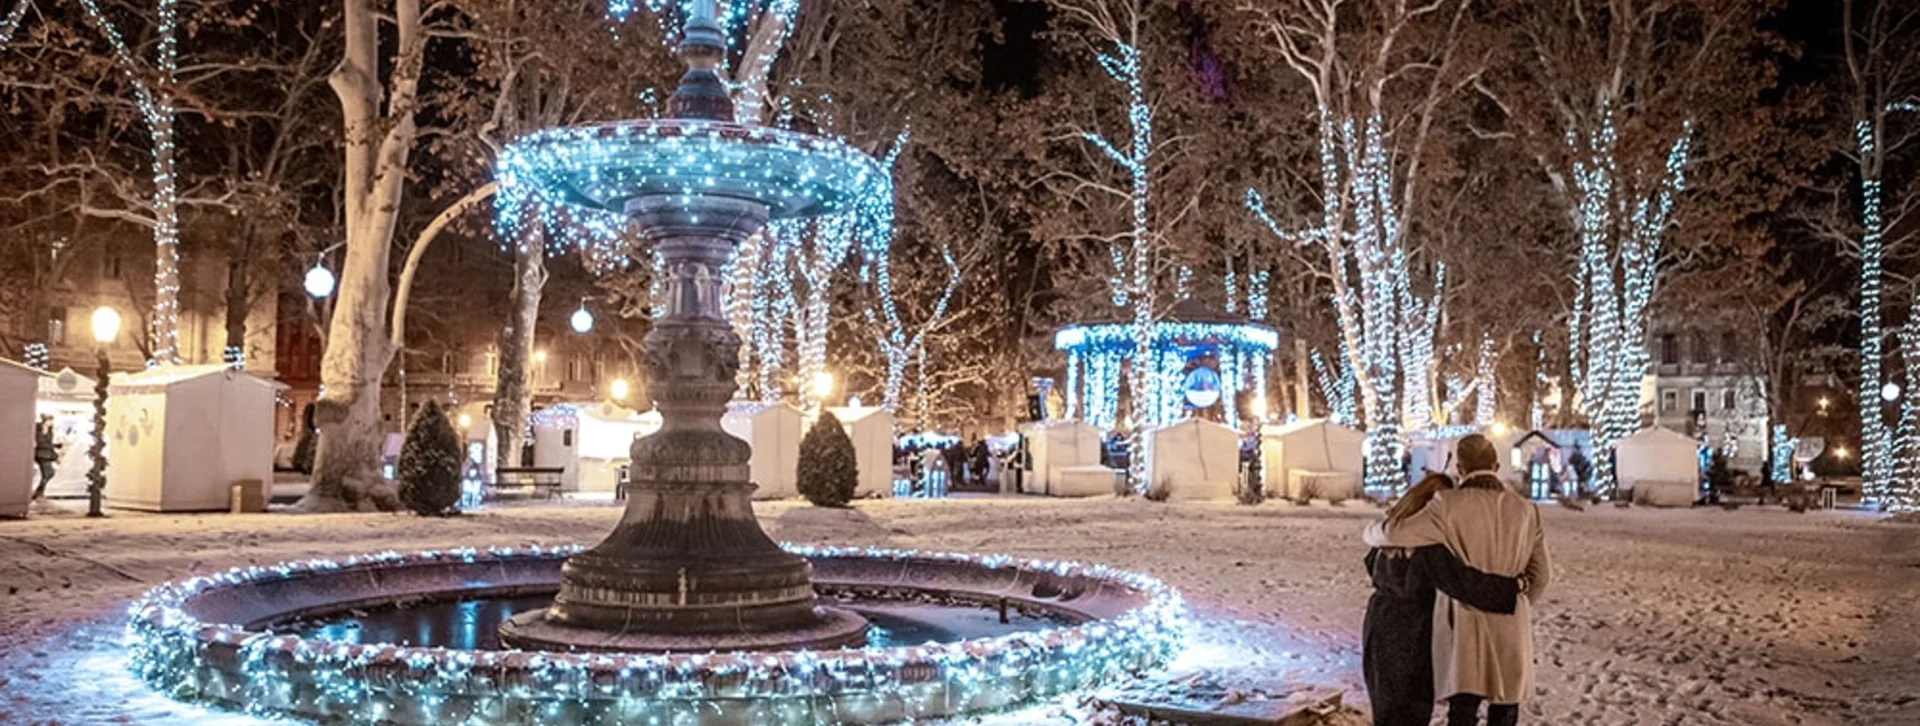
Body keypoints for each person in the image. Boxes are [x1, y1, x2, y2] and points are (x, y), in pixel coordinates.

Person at [1364, 434, 1552, 726]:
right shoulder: (1526, 510)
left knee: (1463, 708)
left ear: (1461, 468)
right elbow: (1540, 575)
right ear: (1496, 464)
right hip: (1511, 620)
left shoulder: (1447, 506)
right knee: (1506, 708)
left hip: (1464, 623)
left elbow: (1393, 534)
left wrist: (1371, 531)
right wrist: (1518, 599)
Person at [31, 415, 60, 500]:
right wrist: (53, 446)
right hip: (42, 454)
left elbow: (48, 442)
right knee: (49, 473)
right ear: (45, 421)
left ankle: (39, 492)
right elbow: (41, 443)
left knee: (47, 474)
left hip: (47, 454)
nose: (51, 423)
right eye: (50, 421)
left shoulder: (50, 431)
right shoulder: (38, 430)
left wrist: (55, 446)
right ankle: (39, 492)